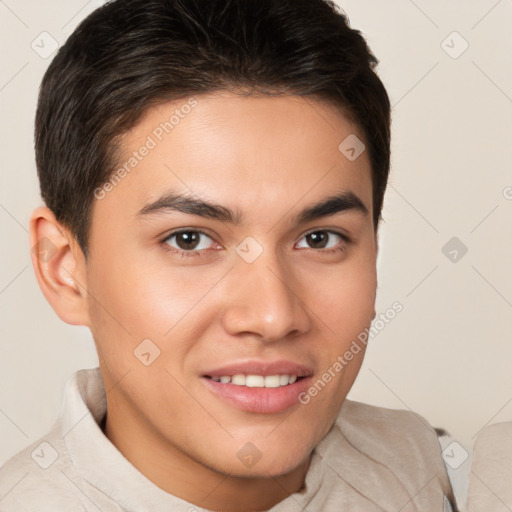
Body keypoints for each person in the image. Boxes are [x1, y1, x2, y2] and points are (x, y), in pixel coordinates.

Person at [0, 0, 457, 510]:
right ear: (65, 270)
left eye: (319, 238)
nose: (272, 316)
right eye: (189, 239)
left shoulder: (422, 467)